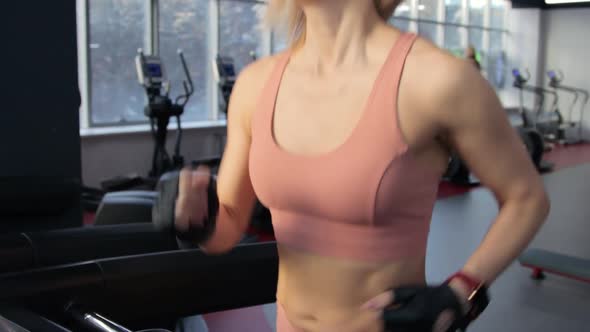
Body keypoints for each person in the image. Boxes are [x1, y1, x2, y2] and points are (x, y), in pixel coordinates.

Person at [173, 0, 550, 331]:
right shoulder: (254, 85)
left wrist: (463, 290)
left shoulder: (437, 80)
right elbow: (229, 224)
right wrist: (199, 224)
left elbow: (527, 198)